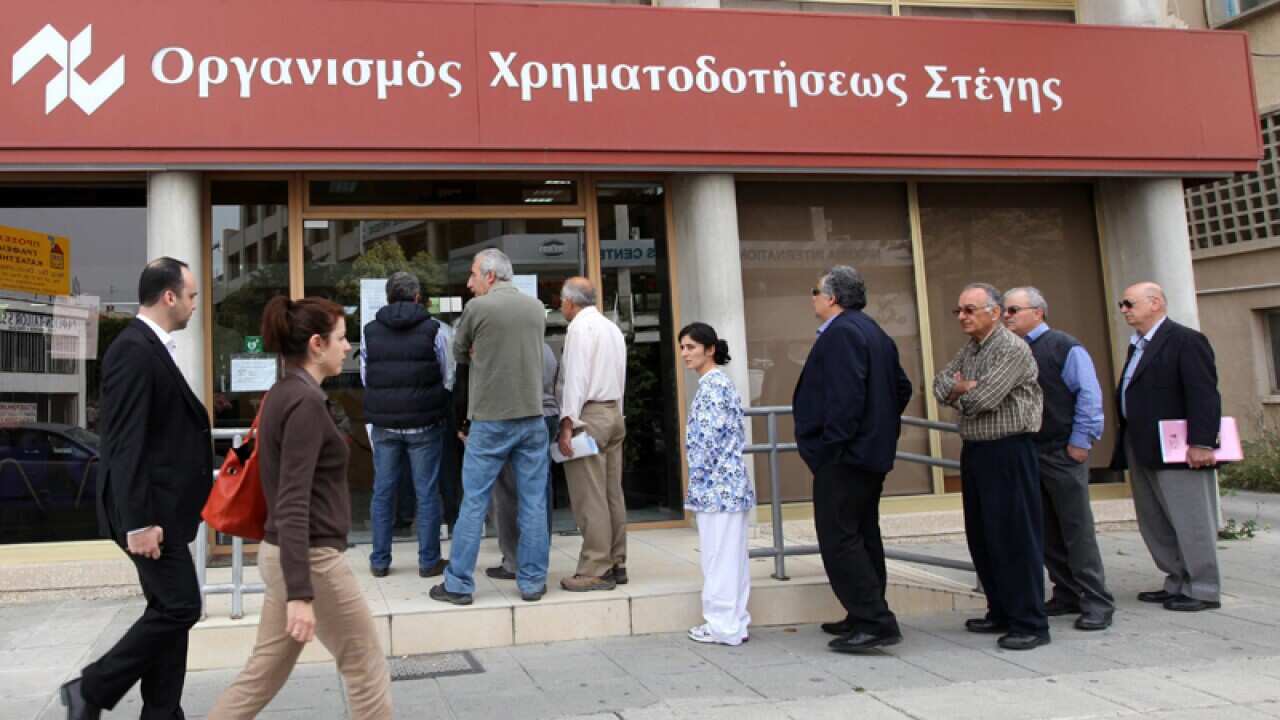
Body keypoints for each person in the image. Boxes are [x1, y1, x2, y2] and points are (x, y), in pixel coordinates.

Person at [210, 296, 391, 719]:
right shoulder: (305, 403)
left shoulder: (283, 393)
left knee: (262, 675)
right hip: (309, 558)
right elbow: (292, 500)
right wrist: (301, 593)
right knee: (365, 665)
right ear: (316, 343)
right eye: (342, 339)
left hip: (286, 554)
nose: (347, 348)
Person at [62, 258, 212, 720]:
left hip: (164, 512)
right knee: (181, 605)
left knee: (168, 609)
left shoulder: (151, 346)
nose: (193, 305)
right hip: (148, 515)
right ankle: (91, 687)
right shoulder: (133, 349)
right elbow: (124, 445)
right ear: (169, 297)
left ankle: (162, 712)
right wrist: (140, 523)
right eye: (190, 296)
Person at [792, 266, 912, 653]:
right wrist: (880, 426)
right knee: (862, 535)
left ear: (832, 298)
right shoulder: (874, 331)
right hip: (868, 453)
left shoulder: (842, 334)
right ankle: (863, 611)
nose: (811, 298)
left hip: (846, 457)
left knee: (840, 537)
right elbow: (902, 387)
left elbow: (845, 399)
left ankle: (875, 621)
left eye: (815, 291)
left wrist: (832, 446)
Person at [933, 283, 1050, 651]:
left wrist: (962, 391)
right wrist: (960, 388)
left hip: (1009, 451)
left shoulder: (1012, 348)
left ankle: (1029, 621)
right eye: (959, 311)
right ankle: (1000, 609)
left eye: (970, 309)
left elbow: (985, 397)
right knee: (984, 536)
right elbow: (938, 385)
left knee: (1015, 537)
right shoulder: (971, 349)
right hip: (977, 450)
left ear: (994, 312)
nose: (963, 317)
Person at [431, 248, 551, 605]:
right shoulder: (535, 308)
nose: (469, 284)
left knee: (474, 503)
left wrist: (480, 355)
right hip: (532, 419)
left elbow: (459, 351)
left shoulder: (478, 309)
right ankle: (531, 582)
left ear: (490, 275)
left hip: (490, 421)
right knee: (532, 502)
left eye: (473, 275)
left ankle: (458, 584)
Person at [1003, 287, 1115, 631]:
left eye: (1013, 310)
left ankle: (1096, 601)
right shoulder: (1012, 351)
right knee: (1046, 529)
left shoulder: (1063, 347)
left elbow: (1088, 395)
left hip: (1061, 451)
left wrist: (1081, 441)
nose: (1006, 316)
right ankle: (1066, 593)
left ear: (1038, 312)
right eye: (1005, 311)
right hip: (1029, 452)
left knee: (1076, 528)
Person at [1112, 281, 1223, 612]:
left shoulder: (1185, 340)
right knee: (1155, 520)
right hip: (1142, 443)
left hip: (1179, 448)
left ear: (1156, 302)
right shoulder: (1139, 345)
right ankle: (1176, 580)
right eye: (1122, 304)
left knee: (1190, 518)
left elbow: (1203, 393)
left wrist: (1202, 442)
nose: (1123, 310)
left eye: (1129, 303)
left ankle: (1203, 588)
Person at [360, 271, 451, 579]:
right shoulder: (434, 329)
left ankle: (380, 560)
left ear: (387, 297)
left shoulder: (369, 330)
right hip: (425, 423)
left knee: (383, 491)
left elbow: (365, 374)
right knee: (426, 492)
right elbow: (446, 373)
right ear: (417, 297)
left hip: (384, 423)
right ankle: (428, 561)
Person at [680, 322, 755, 646]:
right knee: (732, 558)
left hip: (716, 487)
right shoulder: (721, 384)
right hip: (729, 484)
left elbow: (707, 442)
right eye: (682, 347)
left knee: (718, 557)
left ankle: (722, 624)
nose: (685, 353)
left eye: (691, 347)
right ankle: (734, 622)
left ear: (710, 349)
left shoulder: (712, 386)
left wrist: (697, 476)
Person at [556, 277, 629, 592]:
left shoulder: (578, 328)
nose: (561, 306)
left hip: (590, 415)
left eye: (561, 301)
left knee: (590, 495)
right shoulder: (611, 327)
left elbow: (575, 379)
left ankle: (595, 568)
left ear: (570, 302)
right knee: (612, 492)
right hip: (613, 411)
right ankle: (617, 561)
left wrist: (567, 423)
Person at [486, 342, 560, 581]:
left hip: (519, 418)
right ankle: (538, 556)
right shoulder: (546, 349)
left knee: (507, 492)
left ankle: (514, 561)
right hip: (548, 417)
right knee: (538, 493)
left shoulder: (510, 348)